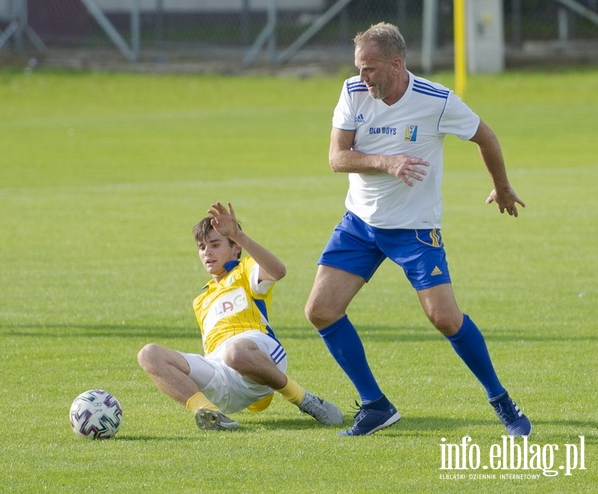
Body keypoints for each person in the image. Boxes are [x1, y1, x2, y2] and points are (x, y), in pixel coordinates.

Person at [304, 22, 531, 437]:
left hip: (414, 229)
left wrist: (501, 187)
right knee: (320, 311)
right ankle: (375, 406)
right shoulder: (354, 92)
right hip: (360, 224)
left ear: (396, 63)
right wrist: (386, 161)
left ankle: (501, 399)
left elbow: (487, 137)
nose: (362, 76)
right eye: (358, 67)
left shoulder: (436, 100)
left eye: (370, 68)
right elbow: (337, 158)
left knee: (444, 317)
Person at [138, 202, 343, 431]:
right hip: (221, 372)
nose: (208, 252)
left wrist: (238, 234)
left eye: (215, 244)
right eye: (202, 247)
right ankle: (209, 413)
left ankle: (304, 399)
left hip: (256, 349)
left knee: (235, 352)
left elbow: (278, 271)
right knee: (149, 354)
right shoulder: (200, 300)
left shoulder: (245, 271)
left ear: (235, 248)